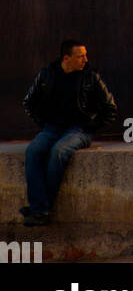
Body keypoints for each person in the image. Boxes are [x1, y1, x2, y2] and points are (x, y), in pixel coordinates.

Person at [21, 39, 117, 226]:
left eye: (85, 55)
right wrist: (43, 122)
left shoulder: (91, 77)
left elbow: (110, 108)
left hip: (79, 130)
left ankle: (39, 209)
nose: (85, 60)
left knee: (59, 152)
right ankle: (40, 210)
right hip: (52, 128)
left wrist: (90, 127)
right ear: (67, 58)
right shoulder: (47, 75)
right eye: (80, 56)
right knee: (33, 152)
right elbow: (29, 102)